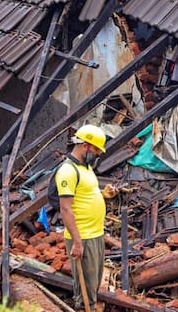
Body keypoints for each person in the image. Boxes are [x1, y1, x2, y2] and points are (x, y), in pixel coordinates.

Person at [57, 124, 108, 311]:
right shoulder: (67, 171)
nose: (98, 154)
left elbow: (86, 194)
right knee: (84, 289)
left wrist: (104, 195)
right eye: (96, 149)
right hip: (83, 237)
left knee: (93, 282)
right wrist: (77, 243)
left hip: (95, 234)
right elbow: (66, 209)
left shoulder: (86, 168)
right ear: (85, 145)